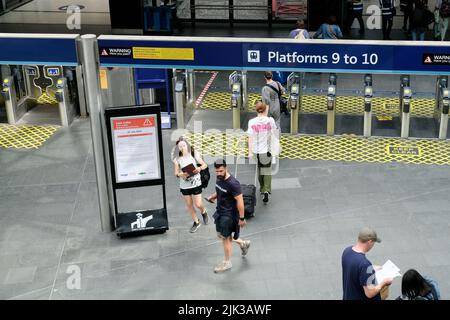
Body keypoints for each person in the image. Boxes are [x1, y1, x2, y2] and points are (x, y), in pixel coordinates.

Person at [206, 159, 251, 273]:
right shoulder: (219, 178)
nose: (219, 173)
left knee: (226, 238)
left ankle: (227, 262)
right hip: (220, 211)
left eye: (221, 171)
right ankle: (243, 243)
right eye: (217, 171)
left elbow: (240, 201)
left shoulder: (233, 183)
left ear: (226, 168)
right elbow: (220, 190)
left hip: (230, 215)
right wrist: (213, 196)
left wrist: (241, 218)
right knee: (221, 235)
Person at [342, 227, 393, 300]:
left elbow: (354, 267)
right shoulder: (364, 264)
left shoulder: (347, 251)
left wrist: (371, 268)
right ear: (369, 242)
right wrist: (384, 283)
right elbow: (369, 293)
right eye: (373, 243)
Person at [173, 137, 209, 233]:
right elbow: (176, 173)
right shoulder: (177, 159)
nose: (182, 147)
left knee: (198, 204)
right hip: (184, 185)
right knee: (189, 205)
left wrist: (199, 169)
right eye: (180, 146)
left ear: (187, 145)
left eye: (184, 145)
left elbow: (204, 165)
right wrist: (182, 174)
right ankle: (196, 222)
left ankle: (204, 212)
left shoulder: (194, 153)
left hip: (196, 183)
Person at [247, 101, 278, 204]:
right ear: (265, 109)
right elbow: (274, 133)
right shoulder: (270, 121)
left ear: (256, 110)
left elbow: (250, 138)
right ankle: (266, 190)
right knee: (267, 170)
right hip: (267, 150)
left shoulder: (251, 122)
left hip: (256, 151)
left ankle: (261, 188)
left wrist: (249, 152)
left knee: (259, 169)